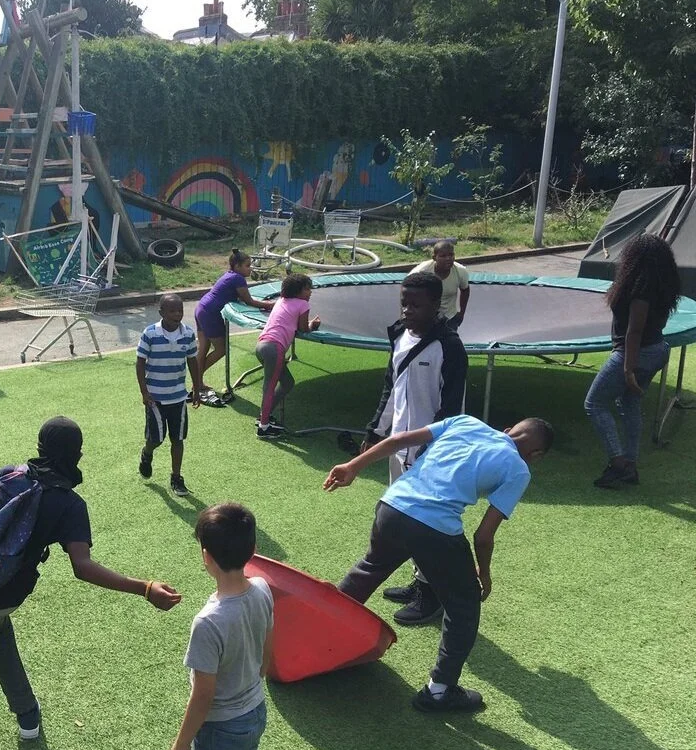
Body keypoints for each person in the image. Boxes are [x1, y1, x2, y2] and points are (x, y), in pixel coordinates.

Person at [0, 417, 182, 740]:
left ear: (39, 447)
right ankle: (27, 717)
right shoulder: (70, 505)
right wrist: (145, 588)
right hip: (1, 600)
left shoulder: (9, 474)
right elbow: (83, 567)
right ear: (77, 455)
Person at [324, 415, 553, 712]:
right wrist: (484, 573)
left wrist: (352, 466)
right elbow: (483, 536)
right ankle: (440, 691)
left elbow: (397, 440)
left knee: (369, 569)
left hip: (392, 505)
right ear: (536, 454)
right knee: (464, 604)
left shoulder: (466, 422)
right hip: (434, 528)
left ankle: (321, 639)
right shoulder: (519, 470)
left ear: (508, 430)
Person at [364, 272, 467, 626]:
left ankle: (432, 593)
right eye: (404, 303)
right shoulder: (399, 336)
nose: (407, 310)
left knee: (425, 522)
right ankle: (420, 580)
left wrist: (430, 450)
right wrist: (375, 431)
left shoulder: (449, 347)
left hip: (429, 453)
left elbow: (451, 408)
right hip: (398, 446)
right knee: (405, 518)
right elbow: (391, 388)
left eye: (416, 305)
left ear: (436, 305)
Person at [169, 503, 273, 750]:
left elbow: (203, 695)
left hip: (220, 728)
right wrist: (258, 675)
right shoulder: (263, 588)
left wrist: (181, 744)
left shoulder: (208, 622)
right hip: (256, 711)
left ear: (206, 556)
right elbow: (267, 644)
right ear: (253, 550)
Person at [584, 234, 681, 488]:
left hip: (635, 354)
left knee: (595, 403)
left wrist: (628, 369)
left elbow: (634, 331)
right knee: (629, 403)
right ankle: (630, 464)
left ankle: (618, 463)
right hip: (656, 350)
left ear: (634, 259)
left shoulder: (641, 290)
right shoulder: (661, 286)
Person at [137, 293, 205, 497]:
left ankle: (176, 477)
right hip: (155, 399)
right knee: (157, 439)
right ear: (161, 313)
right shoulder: (150, 334)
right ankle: (147, 453)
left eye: (180, 310)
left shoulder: (188, 334)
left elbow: (192, 361)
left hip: (178, 397)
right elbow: (140, 362)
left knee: (178, 439)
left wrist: (197, 388)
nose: (177, 314)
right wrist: (144, 392)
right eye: (172, 311)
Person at [194, 249, 276, 406]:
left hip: (202, 308)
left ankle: (197, 383)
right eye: (247, 265)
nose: (250, 269)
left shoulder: (230, 275)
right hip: (211, 313)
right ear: (237, 266)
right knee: (221, 349)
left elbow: (242, 297)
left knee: (203, 348)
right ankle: (197, 380)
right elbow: (249, 301)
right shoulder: (238, 278)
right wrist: (270, 305)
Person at [253, 273, 321, 440]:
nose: (310, 292)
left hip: (261, 345)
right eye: (307, 289)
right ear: (298, 291)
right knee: (269, 386)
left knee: (288, 382)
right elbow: (303, 328)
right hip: (274, 349)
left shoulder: (280, 301)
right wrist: (313, 325)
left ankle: (264, 416)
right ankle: (263, 427)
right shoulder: (303, 304)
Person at [409, 241, 470, 328]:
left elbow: (465, 290)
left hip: (449, 318)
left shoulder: (460, 271)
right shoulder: (422, 271)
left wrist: (462, 313)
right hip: (425, 318)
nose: (448, 258)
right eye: (443, 256)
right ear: (434, 257)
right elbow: (406, 289)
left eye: (451, 255)